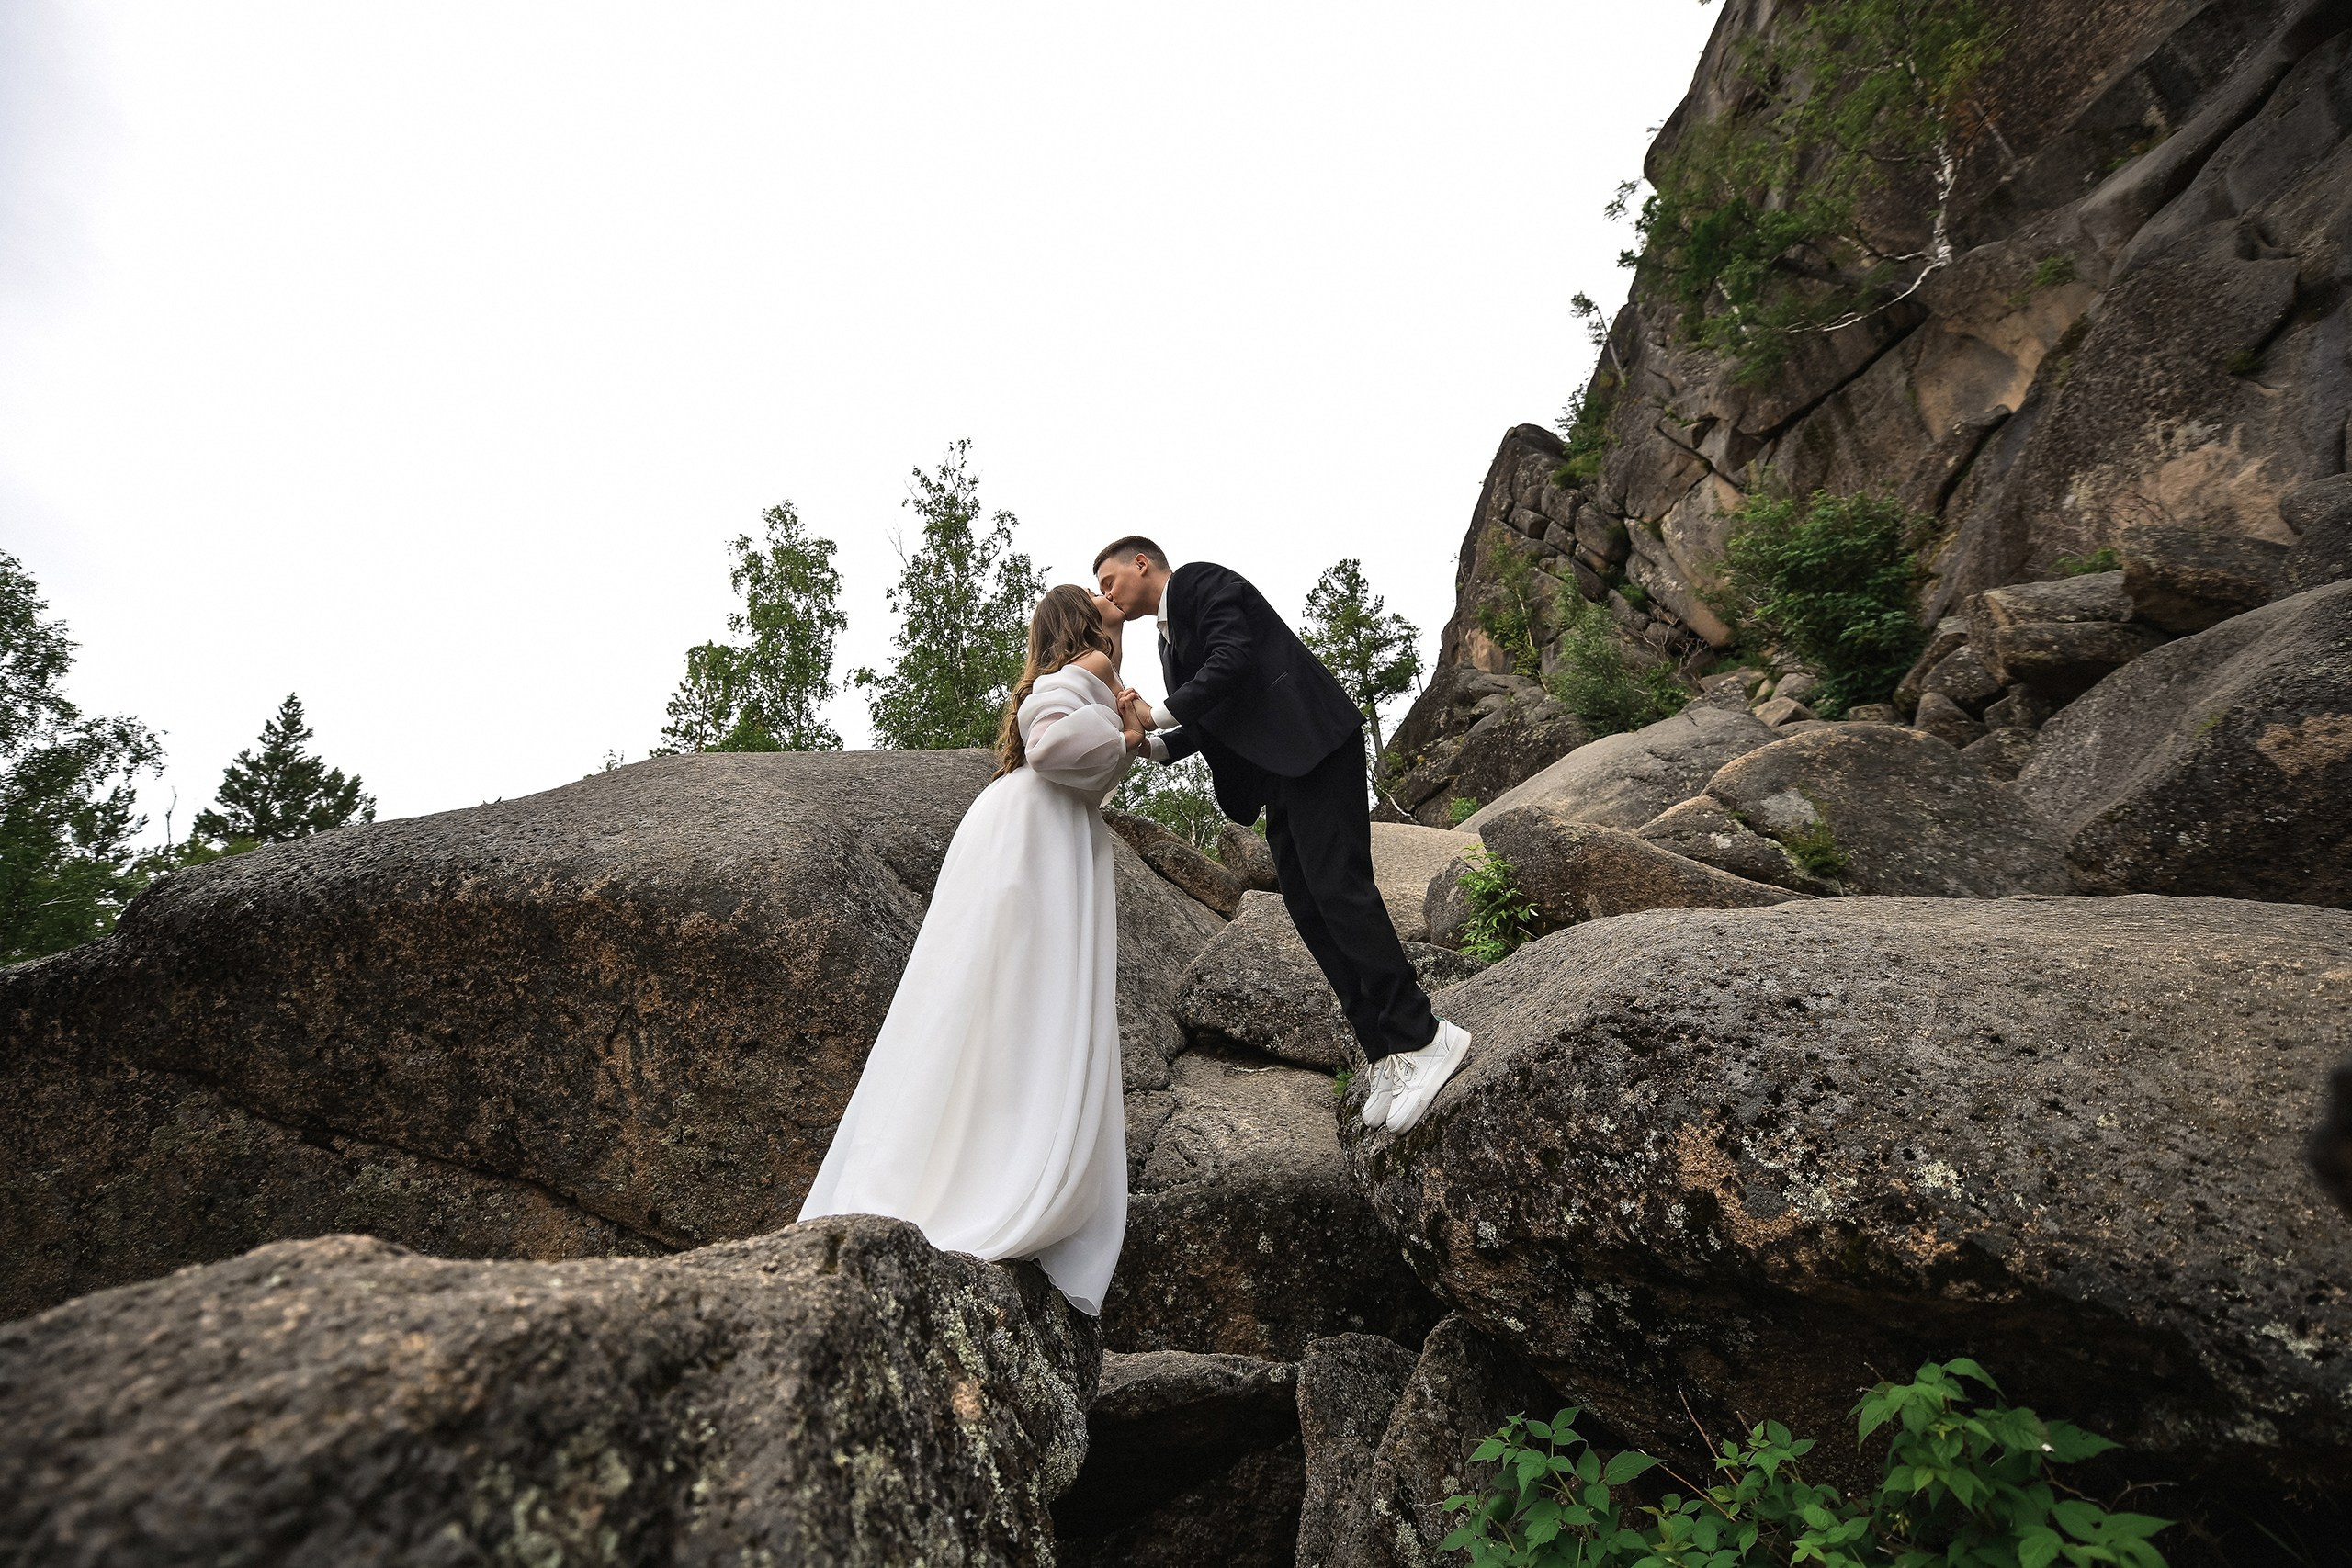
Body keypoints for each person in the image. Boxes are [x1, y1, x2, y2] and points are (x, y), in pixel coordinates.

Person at [797, 584, 1139, 1314]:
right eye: (1102, 604)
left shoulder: (1071, 681)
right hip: (1034, 837)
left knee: (990, 1001)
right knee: (1016, 997)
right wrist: (1125, 723)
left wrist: (1139, 726)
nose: (1116, 617)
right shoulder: (1079, 672)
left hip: (1035, 831)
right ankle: (993, 1167)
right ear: (1080, 627)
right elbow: (1052, 746)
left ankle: (980, 1154)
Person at [1095, 536, 1470, 1134]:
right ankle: (1387, 1052)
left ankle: (1426, 1035)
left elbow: (1233, 659)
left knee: (1341, 891)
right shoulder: (1169, 645)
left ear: (1142, 563)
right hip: (1281, 774)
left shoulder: (1198, 583)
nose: (1105, 591)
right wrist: (1157, 743)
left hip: (1315, 744)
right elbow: (1211, 712)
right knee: (1311, 910)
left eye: (1109, 577)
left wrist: (1158, 712)